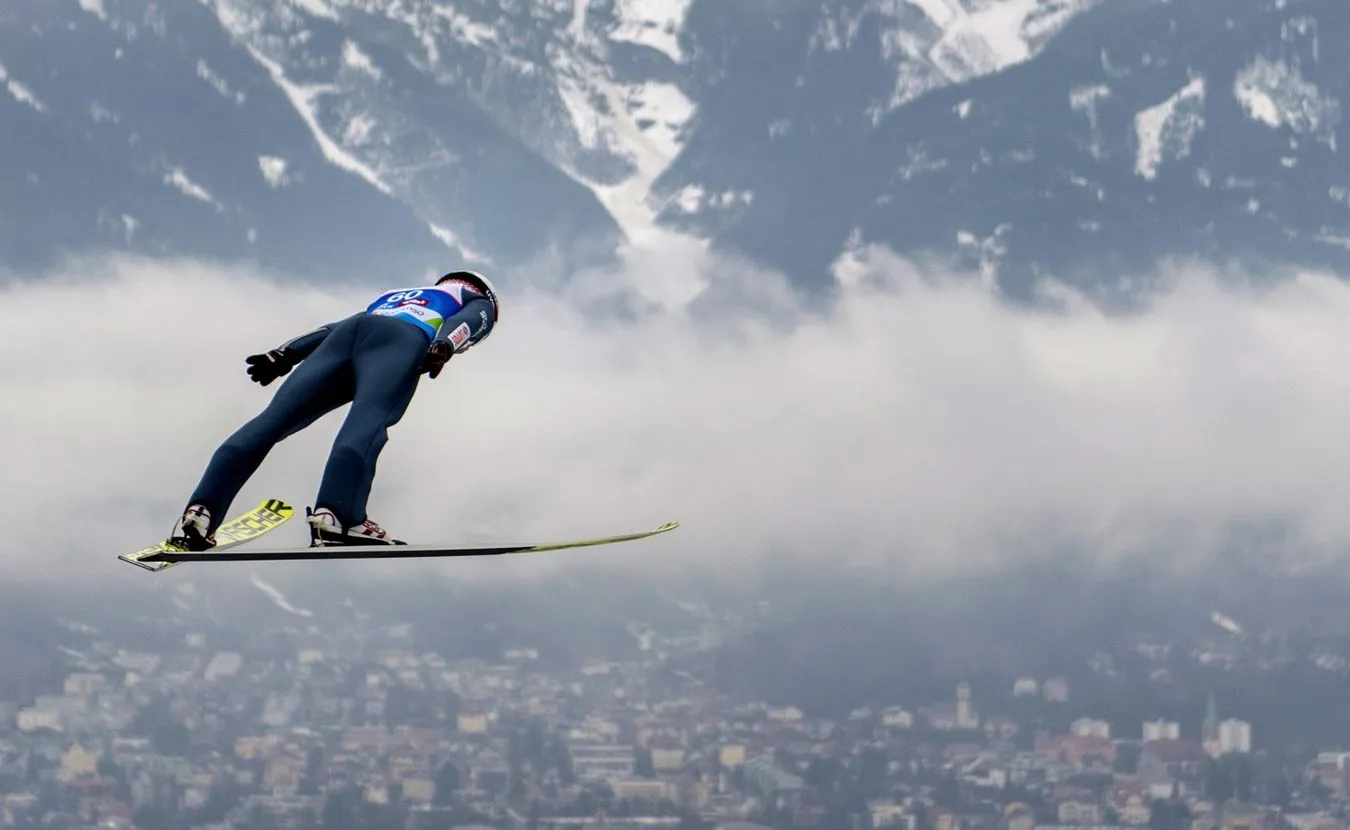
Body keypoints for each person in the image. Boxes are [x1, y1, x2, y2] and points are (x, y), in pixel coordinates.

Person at [169, 270, 500, 550]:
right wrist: (445, 345)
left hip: (349, 335)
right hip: (400, 342)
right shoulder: (477, 299)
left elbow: (333, 328)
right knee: (367, 422)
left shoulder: (399, 294)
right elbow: (470, 321)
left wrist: (283, 354)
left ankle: (201, 510)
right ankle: (339, 516)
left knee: (271, 421)